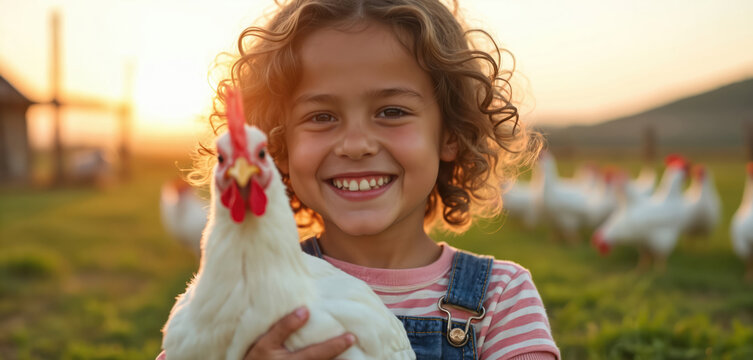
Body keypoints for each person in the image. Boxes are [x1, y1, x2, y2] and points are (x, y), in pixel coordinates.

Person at [162, 0, 560, 359]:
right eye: (322, 117)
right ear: (281, 146)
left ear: (450, 136)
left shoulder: (500, 298)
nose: (356, 145)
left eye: (391, 111)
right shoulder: (226, 295)